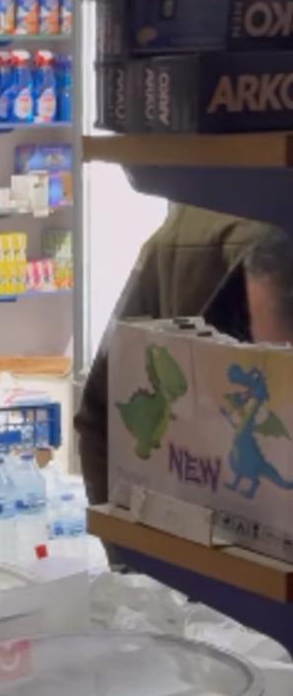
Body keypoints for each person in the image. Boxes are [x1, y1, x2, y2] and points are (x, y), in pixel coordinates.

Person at [76, 204, 278, 505]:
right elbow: (102, 414)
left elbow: (98, 418)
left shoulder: (185, 227)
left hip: (189, 521)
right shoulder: (249, 236)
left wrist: (129, 544)